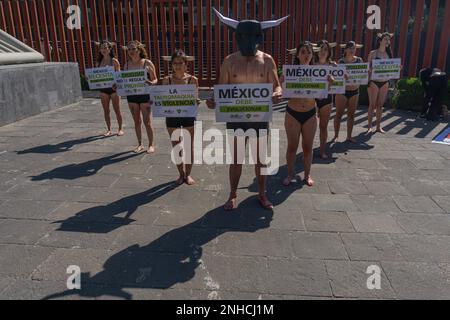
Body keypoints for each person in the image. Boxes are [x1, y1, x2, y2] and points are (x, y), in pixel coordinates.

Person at [207, 9, 286, 210]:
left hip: (259, 118)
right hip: (236, 118)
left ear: (259, 37)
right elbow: (221, 89)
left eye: (252, 36)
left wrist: (277, 92)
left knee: (260, 160)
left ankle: (262, 194)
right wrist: (213, 100)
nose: (248, 40)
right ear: (237, 37)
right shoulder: (229, 61)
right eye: (244, 36)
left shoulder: (267, 60)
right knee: (236, 159)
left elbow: (277, 85)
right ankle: (232, 194)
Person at [160, 50, 199, 185]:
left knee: (188, 146)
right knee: (176, 146)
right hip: (172, 117)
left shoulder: (193, 80)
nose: (177, 66)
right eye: (175, 63)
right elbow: (162, 100)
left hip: (188, 116)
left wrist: (196, 101)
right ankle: (180, 174)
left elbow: (195, 98)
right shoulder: (166, 80)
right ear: (171, 65)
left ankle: (188, 174)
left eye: (180, 63)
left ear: (185, 64)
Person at [282, 42, 318, 187]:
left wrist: (329, 83)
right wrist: (281, 84)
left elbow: (322, 94)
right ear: (297, 55)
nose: (306, 54)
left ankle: (307, 174)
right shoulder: (290, 72)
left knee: (308, 147)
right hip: (293, 113)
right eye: (303, 52)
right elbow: (282, 90)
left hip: (310, 113)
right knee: (292, 147)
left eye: (309, 52)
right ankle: (290, 173)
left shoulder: (318, 72)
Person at [123, 41, 158, 153]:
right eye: (129, 49)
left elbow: (155, 79)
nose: (131, 51)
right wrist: (117, 85)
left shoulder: (147, 63)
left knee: (147, 122)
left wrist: (152, 83)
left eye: (133, 49)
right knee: (136, 122)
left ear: (139, 49)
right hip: (132, 96)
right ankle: (140, 144)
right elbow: (123, 80)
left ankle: (151, 144)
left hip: (145, 95)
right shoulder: (126, 64)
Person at [334, 41, 364, 143]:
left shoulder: (359, 61)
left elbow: (363, 75)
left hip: (355, 91)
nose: (352, 50)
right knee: (339, 114)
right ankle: (336, 136)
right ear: (346, 49)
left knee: (351, 115)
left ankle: (349, 136)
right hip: (342, 91)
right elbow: (336, 77)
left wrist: (367, 73)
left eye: (354, 48)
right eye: (350, 48)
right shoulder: (340, 62)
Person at [367, 32, 396, 134]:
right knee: (372, 105)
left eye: (389, 39)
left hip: (385, 82)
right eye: (386, 39)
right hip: (374, 81)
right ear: (380, 41)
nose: (388, 41)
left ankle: (378, 127)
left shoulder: (389, 54)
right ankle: (369, 126)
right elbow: (367, 68)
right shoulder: (373, 53)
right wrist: (372, 69)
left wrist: (397, 69)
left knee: (380, 105)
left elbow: (391, 69)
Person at [94, 41, 124, 137]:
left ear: (110, 49)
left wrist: (116, 83)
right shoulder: (98, 62)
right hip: (103, 89)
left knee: (117, 110)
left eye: (105, 48)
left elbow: (119, 76)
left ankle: (120, 129)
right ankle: (109, 129)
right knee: (106, 110)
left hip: (114, 89)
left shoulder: (114, 61)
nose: (103, 50)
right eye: (102, 48)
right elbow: (96, 76)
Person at [313, 40, 337, 159]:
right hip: (312, 98)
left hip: (327, 98)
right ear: (316, 51)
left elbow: (342, 80)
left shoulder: (333, 66)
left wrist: (335, 80)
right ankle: (307, 151)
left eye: (326, 49)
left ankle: (322, 150)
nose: (323, 52)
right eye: (321, 49)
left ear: (329, 52)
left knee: (323, 126)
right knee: (310, 127)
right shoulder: (310, 65)